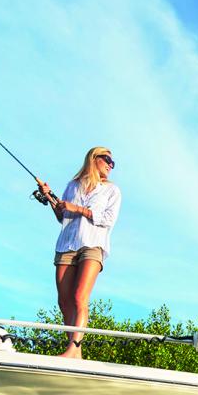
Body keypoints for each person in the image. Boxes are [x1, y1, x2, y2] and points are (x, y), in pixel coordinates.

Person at [35, 146, 121, 359]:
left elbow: (108, 220)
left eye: (113, 163)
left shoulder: (112, 190)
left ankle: (73, 347)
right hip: (66, 244)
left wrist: (78, 209)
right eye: (107, 160)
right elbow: (62, 216)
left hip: (93, 244)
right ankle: (76, 351)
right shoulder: (72, 186)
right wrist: (50, 198)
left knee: (79, 296)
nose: (111, 165)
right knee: (63, 301)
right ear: (94, 158)